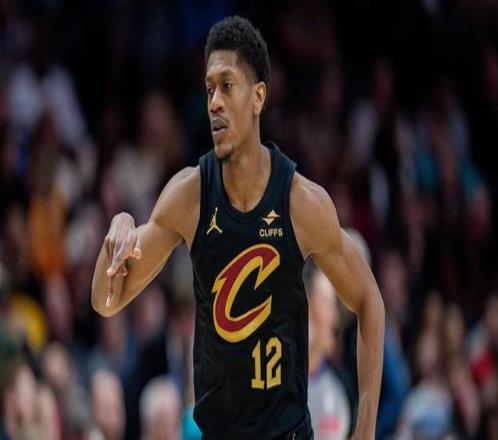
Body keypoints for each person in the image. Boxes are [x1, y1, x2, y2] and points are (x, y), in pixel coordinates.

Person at [91, 16, 384, 439]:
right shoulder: (190, 195)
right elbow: (106, 301)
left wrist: (366, 428)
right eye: (209, 88)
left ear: (258, 96)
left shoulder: (301, 202)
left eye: (227, 86)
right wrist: (116, 231)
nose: (214, 102)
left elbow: (369, 300)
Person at [307, 266, 350, 439]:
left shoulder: (337, 390)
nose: (334, 319)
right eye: (326, 302)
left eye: (334, 306)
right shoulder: (273, 379)